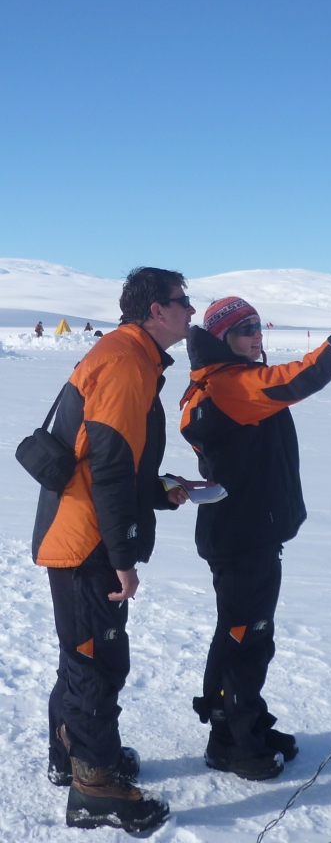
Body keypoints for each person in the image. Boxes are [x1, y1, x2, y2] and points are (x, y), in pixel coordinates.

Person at [179, 289, 331, 781]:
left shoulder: (228, 380)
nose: (257, 337)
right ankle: (235, 743)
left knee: (243, 633)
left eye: (258, 327)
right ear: (223, 339)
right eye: (245, 330)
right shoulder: (231, 384)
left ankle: (240, 724)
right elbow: (304, 376)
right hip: (242, 535)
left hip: (246, 531)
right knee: (246, 638)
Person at [32, 267, 197, 834]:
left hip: (81, 530)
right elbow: (107, 468)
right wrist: (123, 559)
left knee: (81, 656)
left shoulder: (131, 356)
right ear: (156, 310)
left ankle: (72, 756)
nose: (191, 310)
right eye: (183, 301)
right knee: (95, 663)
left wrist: (157, 491)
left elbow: (114, 460)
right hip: (87, 542)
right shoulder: (126, 362)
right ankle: (94, 786)